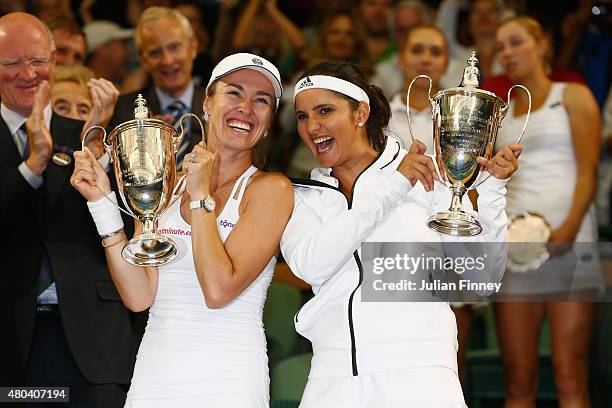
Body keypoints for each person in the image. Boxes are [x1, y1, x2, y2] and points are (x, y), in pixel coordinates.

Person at [280, 61, 521, 406]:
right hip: (331, 378)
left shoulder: (426, 174)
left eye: (325, 111)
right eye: (302, 116)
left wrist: (494, 192)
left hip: (420, 374)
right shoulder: (303, 195)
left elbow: (481, 277)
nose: (312, 126)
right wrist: (394, 187)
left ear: (360, 113)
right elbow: (310, 266)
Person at [70, 52, 293, 407]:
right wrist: (102, 204)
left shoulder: (271, 190)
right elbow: (139, 295)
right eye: (234, 93)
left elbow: (218, 290)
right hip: (154, 375)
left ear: (269, 120)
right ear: (207, 101)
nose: (246, 108)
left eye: (262, 100)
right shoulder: (166, 185)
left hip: (229, 380)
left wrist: (200, 195)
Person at [0, 12, 136, 407]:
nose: (28, 74)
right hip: (9, 345)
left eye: (38, 61)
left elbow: (130, 226)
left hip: (93, 343)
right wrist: (32, 166)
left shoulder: (88, 134)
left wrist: (97, 152)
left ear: (55, 60)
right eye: (11, 63)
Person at [493, 16, 602, 406]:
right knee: (518, 378)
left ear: (542, 44)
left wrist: (569, 228)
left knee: (569, 370)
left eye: (515, 42)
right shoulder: (498, 113)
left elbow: (588, 171)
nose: (506, 52)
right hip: (514, 251)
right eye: (500, 46)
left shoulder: (572, 95)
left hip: (571, 242)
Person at [109, 6, 203, 170]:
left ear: (193, 48)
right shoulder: (122, 111)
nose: (167, 60)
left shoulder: (218, 106)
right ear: (143, 60)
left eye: (174, 47)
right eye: (155, 53)